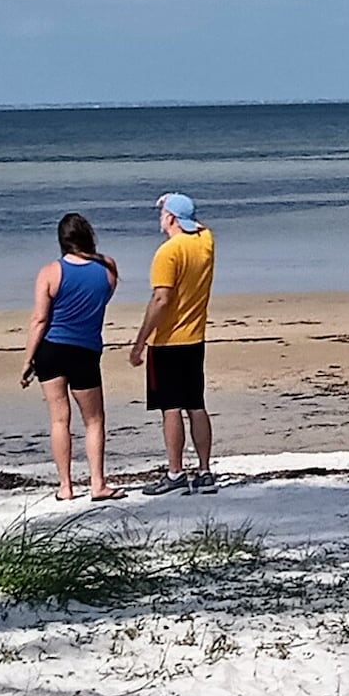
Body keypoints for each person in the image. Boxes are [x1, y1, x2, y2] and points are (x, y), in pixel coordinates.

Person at [22, 213, 121, 502]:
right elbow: (103, 297)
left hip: (51, 349)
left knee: (58, 420)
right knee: (93, 420)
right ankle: (97, 484)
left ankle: (65, 486)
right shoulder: (107, 266)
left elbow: (39, 320)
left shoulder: (50, 272)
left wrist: (28, 360)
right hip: (85, 350)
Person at [128, 191, 217, 493]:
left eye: (163, 214)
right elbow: (200, 226)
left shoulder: (168, 252)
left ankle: (176, 472)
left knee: (171, 408)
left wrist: (140, 341)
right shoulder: (205, 242)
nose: (160, 219)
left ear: (171, 219)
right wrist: (178, 204)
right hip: (195, 338)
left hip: (168, 341)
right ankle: (204, 471)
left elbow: (161, 299)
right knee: (196, 404)